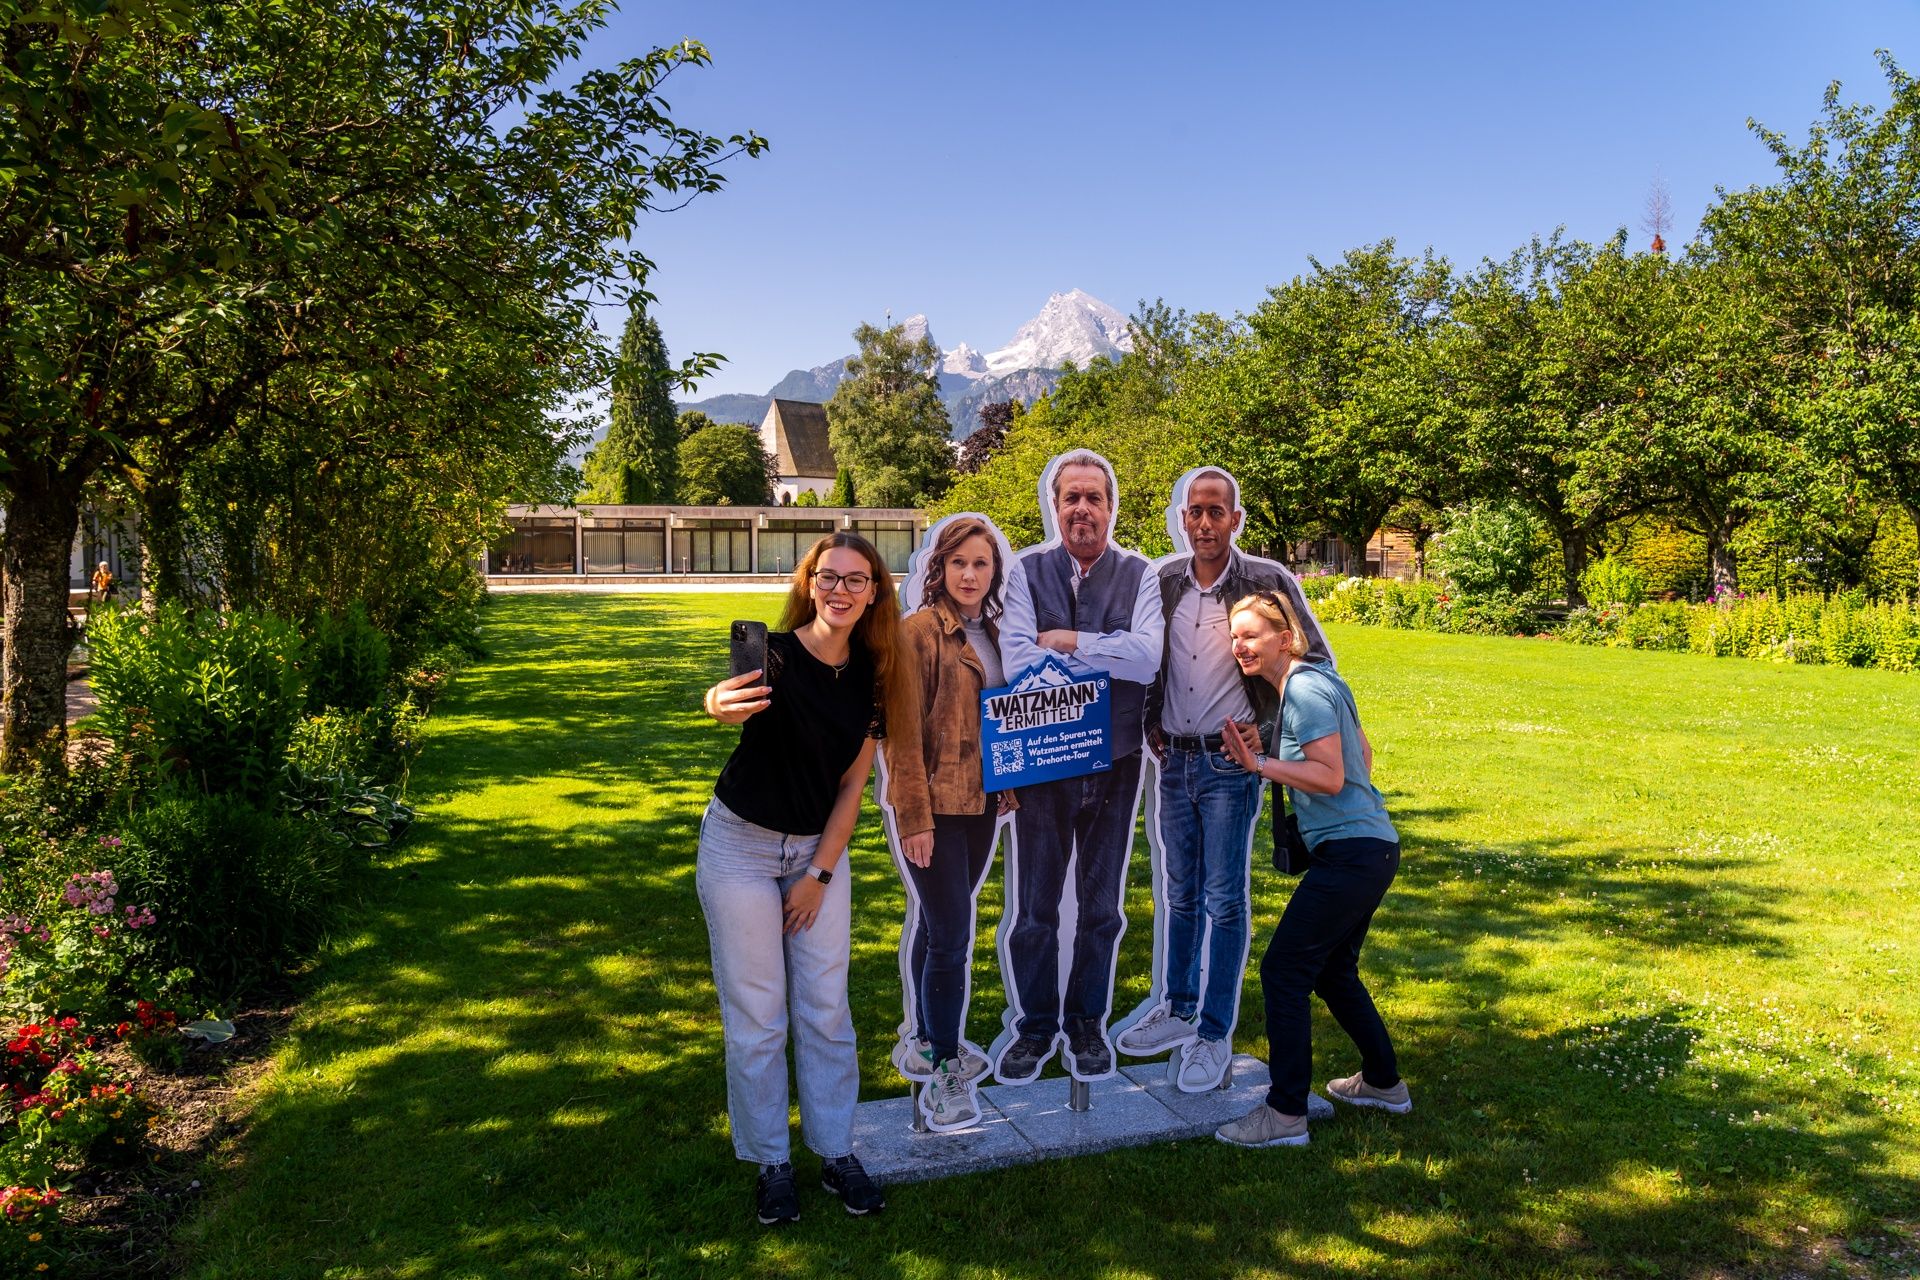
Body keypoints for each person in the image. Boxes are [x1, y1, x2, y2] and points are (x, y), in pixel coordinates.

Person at [698, 532, 928, 1223]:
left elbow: (854, 784)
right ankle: (771, 1162)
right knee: (758, 1017)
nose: (840, 590)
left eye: (857, 580)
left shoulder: (876, 674)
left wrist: (818, 876)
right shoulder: (771, 654)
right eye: (829, 577)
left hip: (815, 853)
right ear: (809, 582)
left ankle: (835, 1152)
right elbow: (725, 701)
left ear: (875, 593)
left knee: (827, 1011)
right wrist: (715, 702)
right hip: (739, 847)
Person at [1119, 468, 1332, 1091]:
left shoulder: (1265, 582)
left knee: (1223, 898)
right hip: (1175, 761)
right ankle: (1178, 1007)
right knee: (1179, 894)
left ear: (1235, 520)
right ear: (1182, 518)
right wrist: (1152, 722)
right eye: (1196, 511)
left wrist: (1269, 731)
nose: (1206, 523)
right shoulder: (1163, 582)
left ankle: (1213, 1032)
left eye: (1217, 512)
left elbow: (1313, 657)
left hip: (1228, 766)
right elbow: (1147, 658)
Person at [1216, 589, 1409, 1148]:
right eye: (1234, 637)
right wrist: (1272, 747)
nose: (1239, 646)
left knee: (1284, 972)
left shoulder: (1301, 688)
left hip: (1352, 855)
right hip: (1370, 848)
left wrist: (1259, 763)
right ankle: (1383, 1083)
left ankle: (1285, 1114)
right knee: (1332, 972)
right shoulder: (1319, 681)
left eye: (1251, 635)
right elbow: (1362, 755)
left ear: (1285, 637)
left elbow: (1332, 775)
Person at [995, 451, 1163, 1082]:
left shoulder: (1140, 576)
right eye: (1072, 497)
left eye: (1095, 498)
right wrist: (1107, 656)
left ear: (1111, 508)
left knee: (1100, 908)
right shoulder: (1025, 572)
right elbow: (1016, 661)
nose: (1083, 509)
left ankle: (1086, 1022)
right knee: (1035, 909)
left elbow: (1147, 659)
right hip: (1044, 764)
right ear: (1055, 505)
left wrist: (1068, 643)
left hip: (1116, 762)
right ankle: (1036, 1026)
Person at [883, 515, 1017, 1131]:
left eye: (980, 563)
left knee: (939, 927)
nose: (969, 574)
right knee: (953, 936)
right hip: (935, 809)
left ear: (993, 572)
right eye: (959, 562)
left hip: (980, 804)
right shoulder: (916, 634)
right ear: (939, 567)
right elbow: (901, 737)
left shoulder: (994, 631)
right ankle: (944, 1069)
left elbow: (999, 717)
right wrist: (914, 818)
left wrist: (1006, 781)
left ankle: (921, 1037)